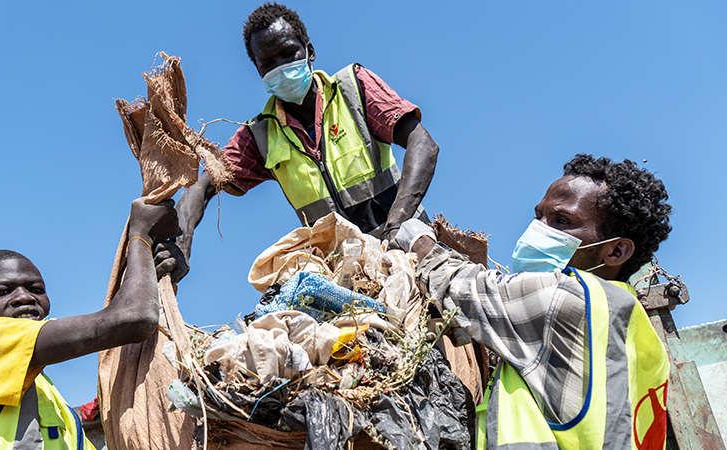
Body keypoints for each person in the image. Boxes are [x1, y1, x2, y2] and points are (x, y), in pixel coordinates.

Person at [395, 154, 672, 449]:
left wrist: (417, 238)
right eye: (539, 216)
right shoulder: (636, 329)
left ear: (616, 251)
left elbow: (459, 286)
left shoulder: (570, 298)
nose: (538, 229)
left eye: (562, 221)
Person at [172, 2, 439, 273]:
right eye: (268, 63)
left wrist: (397, 224)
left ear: (309, 51)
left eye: (288, 53)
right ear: (259, 71)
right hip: (346, 272)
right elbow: (202, 186)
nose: (281, 67)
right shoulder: (260, 135)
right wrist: (181, 243)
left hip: (406, 247)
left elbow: (423, 144)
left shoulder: (354, 88)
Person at [0, 197, 178, 449]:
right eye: (3, 292)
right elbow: (133, 319)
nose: (24, 297)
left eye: (36, 288)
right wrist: (141, 236)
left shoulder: (37, 386)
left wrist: (146, 279)